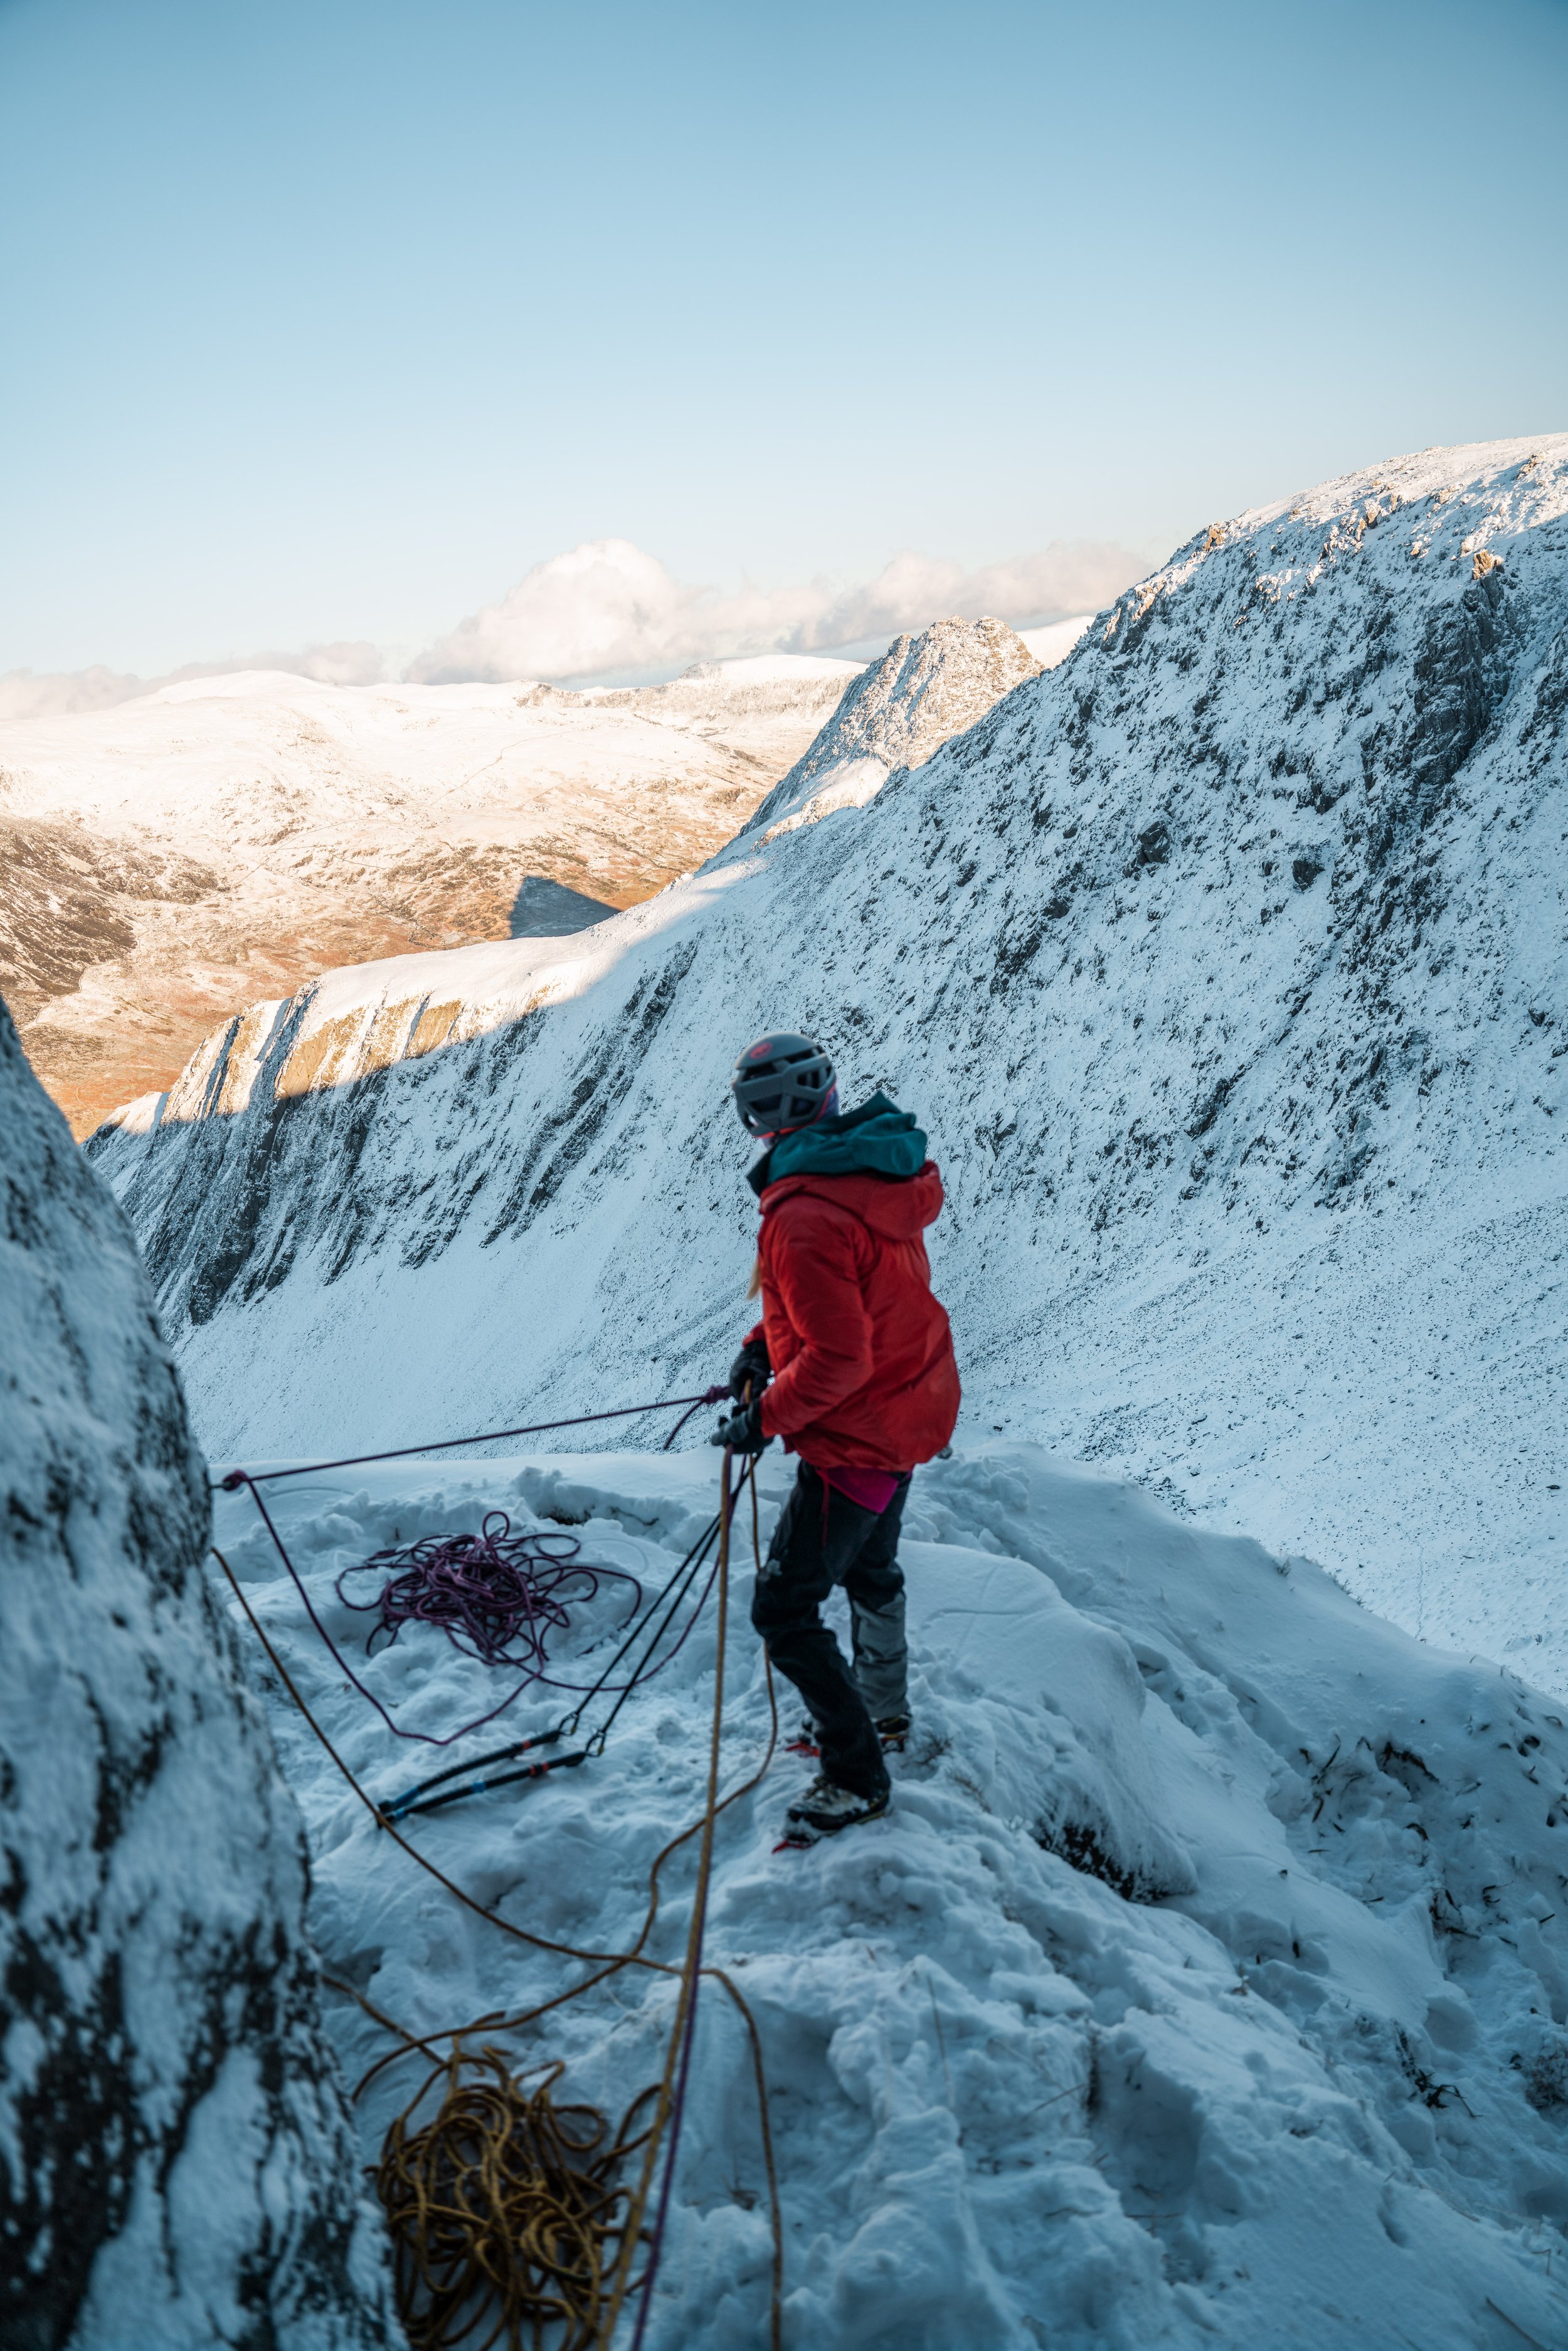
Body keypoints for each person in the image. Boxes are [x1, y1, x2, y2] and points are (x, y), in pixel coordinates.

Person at [712, 1032, 960, 1840]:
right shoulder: (867, 1174)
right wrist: (763, 1347)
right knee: (872, 1570)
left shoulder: (805, 1214)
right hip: (907, 1407)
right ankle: (882, 1718)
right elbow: (854, 1304)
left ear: (757, 1119)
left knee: (783, 1609)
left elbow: (838, 1358)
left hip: (856, 1438)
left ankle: (856, 1774)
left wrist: (763, 1418)